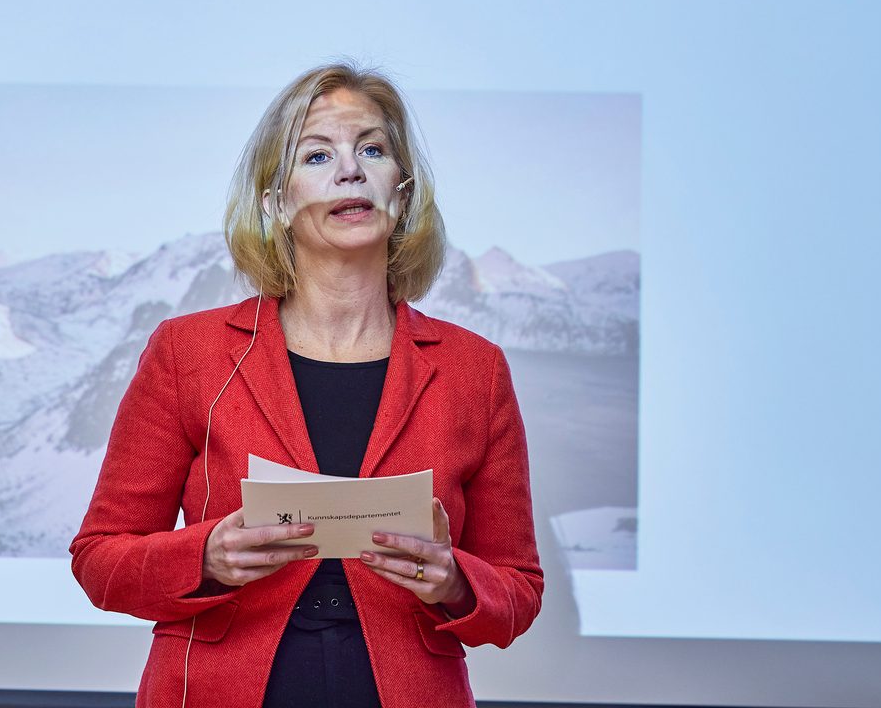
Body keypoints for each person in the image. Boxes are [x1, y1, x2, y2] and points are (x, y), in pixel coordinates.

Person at [72, 63, 543, 708]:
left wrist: (455, 581)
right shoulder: (188, 352)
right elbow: (99, 560)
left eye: (372, 150)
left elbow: (518, 591)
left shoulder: (474, 369)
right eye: (317, 155)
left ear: (402, 191)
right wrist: (204, 557)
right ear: (275, 202)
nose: (350, 171)